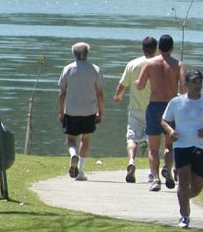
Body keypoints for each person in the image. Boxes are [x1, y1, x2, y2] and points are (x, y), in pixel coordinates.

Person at [161, 69, 203, 228]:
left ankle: (183, 199)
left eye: (200, 82)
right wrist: (170, 131)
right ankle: (184, 215)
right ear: (186, 84)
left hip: (202, 146)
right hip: (182, 145)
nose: (198, 85)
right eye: (194, 82)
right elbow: (164, 121)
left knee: (197, 186)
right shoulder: (176, 102)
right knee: (183, 179)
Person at [136, 33, 181, 191]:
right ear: (172, 48)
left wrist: (137, 81)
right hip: (172, 107)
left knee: (153, 148)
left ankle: (156, 179)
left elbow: (140, 85)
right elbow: (184, 88)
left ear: (159, 48)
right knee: (170, 145)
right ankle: (167, 167)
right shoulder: (178, 64)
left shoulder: (149, 63)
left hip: (155, 106)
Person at [112, 35, 156, 183]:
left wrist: (118, 96)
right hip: (153, 108)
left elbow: (122, 84)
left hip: (135, 108)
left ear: (142, 48)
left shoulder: (132, 64)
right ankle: (151, 172)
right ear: (156, 49)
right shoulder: (158, 64)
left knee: (132, 138)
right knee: (152, 141)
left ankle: (131, 161)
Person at [57, 42, 104, 181]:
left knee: (71, 140)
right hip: (89, 110)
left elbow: (62, 93)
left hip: (71, 110)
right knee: (86, 140)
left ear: (74, 54)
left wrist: (61, 112)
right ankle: (81, 171)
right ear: (87, 53)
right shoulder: (95, 69)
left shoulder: (67, 69)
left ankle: (73, 154)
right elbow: (100, 93)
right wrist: (101, 112)